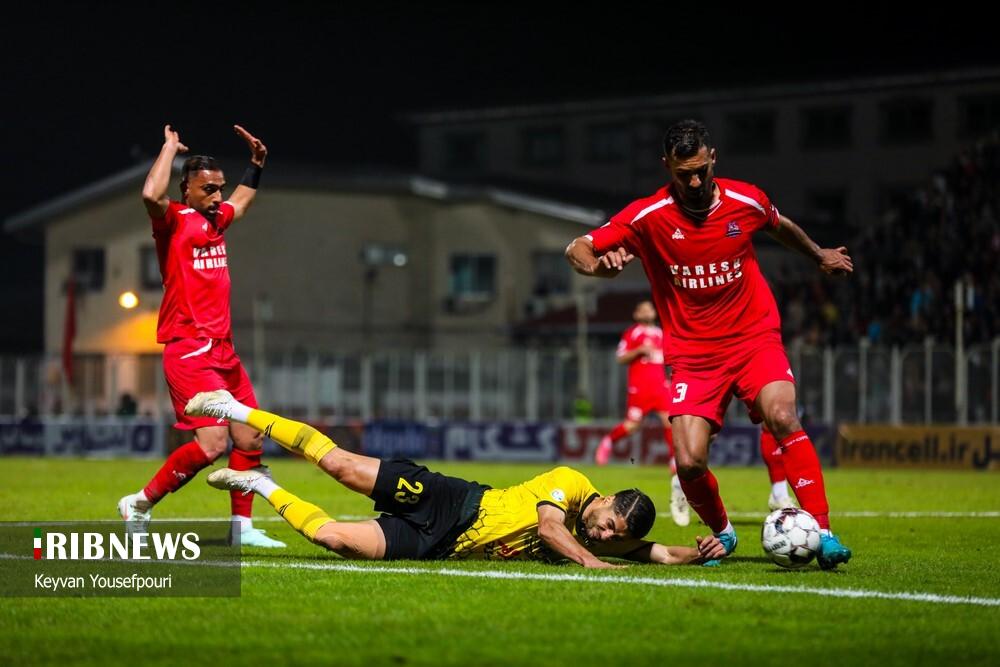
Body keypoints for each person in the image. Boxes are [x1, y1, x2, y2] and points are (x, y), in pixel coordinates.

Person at [565, 119, 853, 569]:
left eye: (702, 170)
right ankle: (723, 533)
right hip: (695, 356)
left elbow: (778, 224)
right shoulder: (648, 216)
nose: (696, 182)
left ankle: (824, 531)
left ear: (713, 158)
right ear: (667, 166)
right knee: (689, 461)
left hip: (754, 337)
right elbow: (578, 248)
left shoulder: (745, 199)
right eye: (685, 174)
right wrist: (598, 268)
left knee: (782, 415)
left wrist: (818, 255)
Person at [185, 389, 727, 567]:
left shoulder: (607, 537)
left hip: (440, 544)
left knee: (335, 540)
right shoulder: (571, 484)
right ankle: (237, 409)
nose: (604, 536)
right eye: (607, 524)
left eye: (613, 537)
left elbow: (657, 552)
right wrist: (592, 563)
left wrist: (702, 552)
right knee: (340, 466)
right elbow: (549, 527)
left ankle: (260, 485)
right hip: (452, 501)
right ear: (603, 498)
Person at [117, 124, 283, 547]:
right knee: (212, 445)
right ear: (186, 189)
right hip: (189, 348)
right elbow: (149, 195)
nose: (216, 196)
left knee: (250, 435)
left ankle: (241, 529)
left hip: (224, 350)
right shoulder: (173, 220)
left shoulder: (217, 219)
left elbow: (240, 203)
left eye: (218, 188)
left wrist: (256, 166)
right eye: (208, 189)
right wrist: (169, 148)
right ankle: (139, 503)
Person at [594, 300, 690, 527]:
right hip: (639, 387)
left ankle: (673, 461)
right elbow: (620, 357)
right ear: (637, 314)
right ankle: (608, 441)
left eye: (650, 308)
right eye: (643, 309)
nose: (648, 311)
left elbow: (669, 359)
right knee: (632, 426)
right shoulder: (633, 333)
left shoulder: (661, 333)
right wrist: (638, 351)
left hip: (659, 386)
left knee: (670, 422)